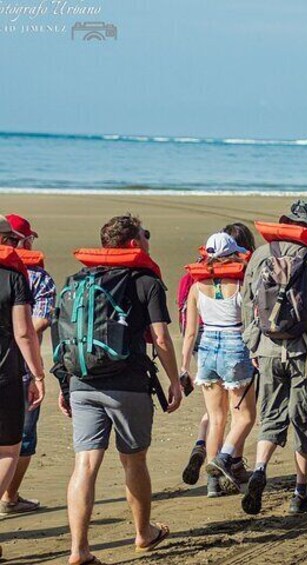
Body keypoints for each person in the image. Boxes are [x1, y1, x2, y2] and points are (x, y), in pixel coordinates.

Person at [57, 215, 182, 564]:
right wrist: (174, 380)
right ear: (133, 243)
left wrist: (64, 383)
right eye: (145, 234)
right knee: (134, 460)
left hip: (81, 380)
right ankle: (144, 533)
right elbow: (159, 338)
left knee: (84, 465)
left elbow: (65, 334)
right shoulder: (146, 281)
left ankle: (78, 550)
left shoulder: (79, 280)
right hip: (127, 385)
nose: (148, 238)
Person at [240, 200, 307, 515]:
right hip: (306, 351)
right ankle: (301, 492)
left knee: (271, 416)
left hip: (268, 348)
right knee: (305, 421)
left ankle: (260, 469)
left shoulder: (260, 255)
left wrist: (252, 344)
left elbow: (247, 303)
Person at [181, 233, 257, 498]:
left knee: (216, 418)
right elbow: (251, 323)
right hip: (235, 346)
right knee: (245, 416)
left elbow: (190, 332)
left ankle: (212, 485)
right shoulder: (240, 283)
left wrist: (184, 367)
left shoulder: (195, 286)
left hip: (207, 349)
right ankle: (224, 458)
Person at [0, 215, 54, 516]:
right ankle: (9, 497)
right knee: (11, 446)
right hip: (10, 370)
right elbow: (26, 330)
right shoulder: (18, 276)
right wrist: (37, 374)